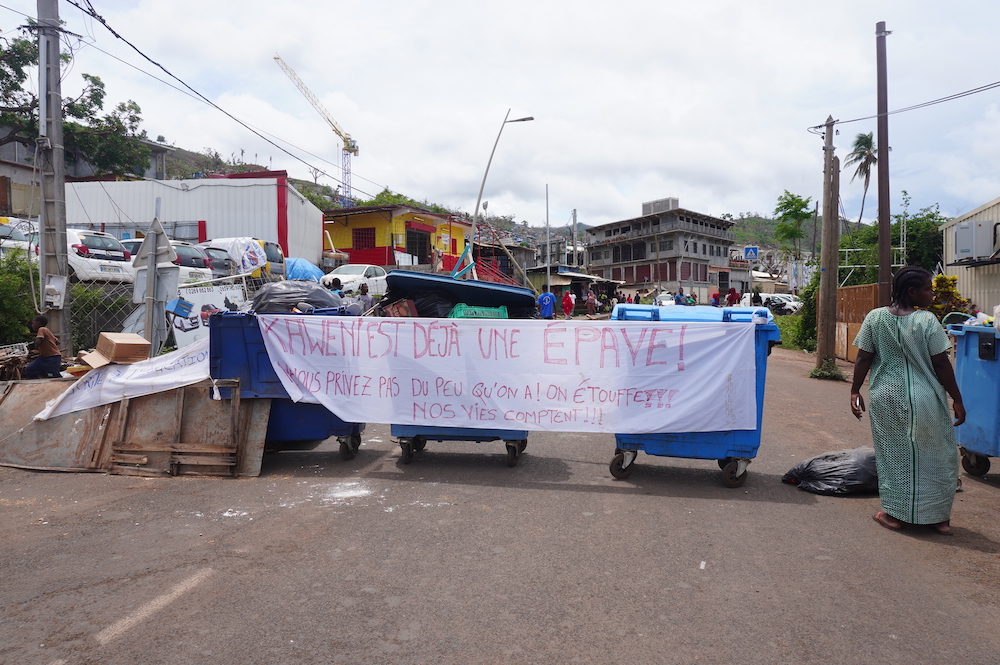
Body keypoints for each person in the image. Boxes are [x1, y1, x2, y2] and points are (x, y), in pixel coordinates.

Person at [850, 266, 965, 536]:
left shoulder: (875, 317)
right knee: (938, 454)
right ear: (912, 292)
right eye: (927, 289)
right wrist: (957, 399)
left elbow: (863, 357)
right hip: (924, 399)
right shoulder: (927, 321)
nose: (931, 294)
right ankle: (939, 518)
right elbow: (941, 362)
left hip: (886, 397)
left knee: (895, 456)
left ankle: (895, 514)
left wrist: (854, 390)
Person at [25, 315, 62, 379]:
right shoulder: (47, 331)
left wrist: (35, 346)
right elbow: (57, 342)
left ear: (38, 323)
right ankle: (38, 384)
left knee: (53, 375)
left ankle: (61, 385)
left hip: (52, 357)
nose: (32, 325)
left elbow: (39, 340)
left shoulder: (41, 329)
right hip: (44, 357)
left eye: (33, 323)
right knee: (30, 369)